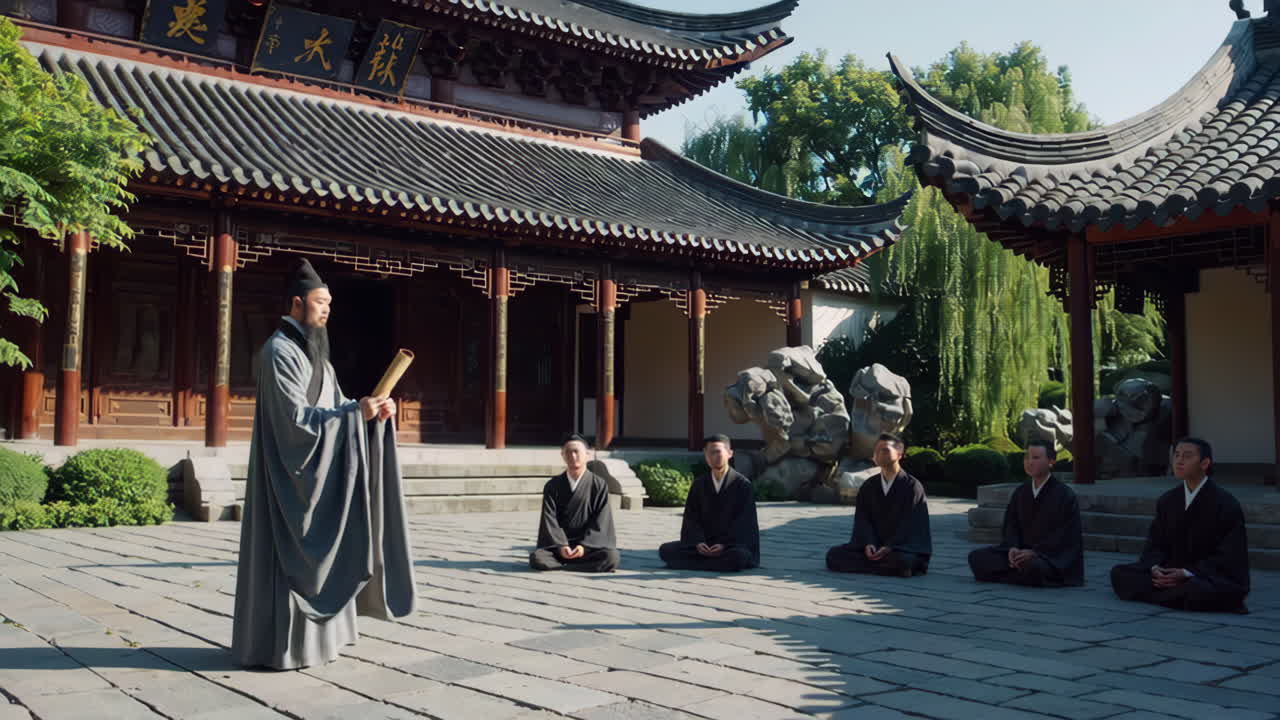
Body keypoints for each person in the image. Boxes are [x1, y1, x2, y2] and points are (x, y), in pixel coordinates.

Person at [232, 259, 417, 670]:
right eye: (320, 302)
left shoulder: (318, 356)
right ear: (297, 304)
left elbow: (335, 406)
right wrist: (355, 417)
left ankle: (324, 641)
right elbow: (294, 423)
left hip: (321, 468)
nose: (327, 310)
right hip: (290, 477)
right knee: (290, 557)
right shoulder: (279, 352)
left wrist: (370, 414)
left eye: (329, 303)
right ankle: (279, 648)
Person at [1110, 437, 1250, 613]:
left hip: (1202, 576)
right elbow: (1155, 544)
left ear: (1205, 463)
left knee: (1201, 589)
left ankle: (1167, 594)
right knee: (1119, 573)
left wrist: (1186, 573)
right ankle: (1174, 595)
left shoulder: (1226, 504)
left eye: (1187, 456)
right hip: (1169, 572)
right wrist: (1155, 568)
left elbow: (1229, 556)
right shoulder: (1168, 500)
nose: (1179, 461)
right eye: (1176, 455)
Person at [968, 440, 1084, 587]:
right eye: (1027, 458)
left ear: (1051, 461)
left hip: (1049, 557)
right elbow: (1011, 525)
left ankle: (1016, 574)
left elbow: (1064, 536)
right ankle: (1019, 573)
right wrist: (1013, 548)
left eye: (1036, 458)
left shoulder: (1065, 495)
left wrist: (1035, 552)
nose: (1029, 462)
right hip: (1020, 554)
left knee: (1034, 567)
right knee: (976, 558)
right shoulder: (1021, 492)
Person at [826, 433, 931, 576]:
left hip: (901, 548)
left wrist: (889, 546)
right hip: (874, 546)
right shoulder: (869, 485)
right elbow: (863, 519)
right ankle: (886, 568)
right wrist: (869, 543)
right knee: (833, 555)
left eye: (885, 450)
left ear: (900, 454)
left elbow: (910, 524)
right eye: (876, 450)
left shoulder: (912, 486)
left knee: (904, 560)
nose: (879, 454)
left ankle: (889, 566)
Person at [659, 435, 759, 572]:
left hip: (730, 546)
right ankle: (715, 564)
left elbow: (744, 523)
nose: (713, 456)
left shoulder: (742, 485)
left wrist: (724, 544)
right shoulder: (699, 484)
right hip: (704, 545)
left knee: (740, 556)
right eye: (709, 452)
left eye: (717, 451)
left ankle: (698, 564)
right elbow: (691, 519)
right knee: (665, 550)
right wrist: (698, 542)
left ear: (730, 453)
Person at [529, 434, 620, 572]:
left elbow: (601, 520)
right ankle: (575, 566)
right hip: (559, 548)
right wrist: (561, 545)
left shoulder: (598, 484)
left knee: (611, 557)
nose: (572, 455)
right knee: (537, 557)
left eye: (576, 451)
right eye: (568, 452)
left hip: (588, 548)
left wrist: (584, 547)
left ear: (587, 454)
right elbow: (549, 520)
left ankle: (566, 567)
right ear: (563, 455)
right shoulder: (552, 485)